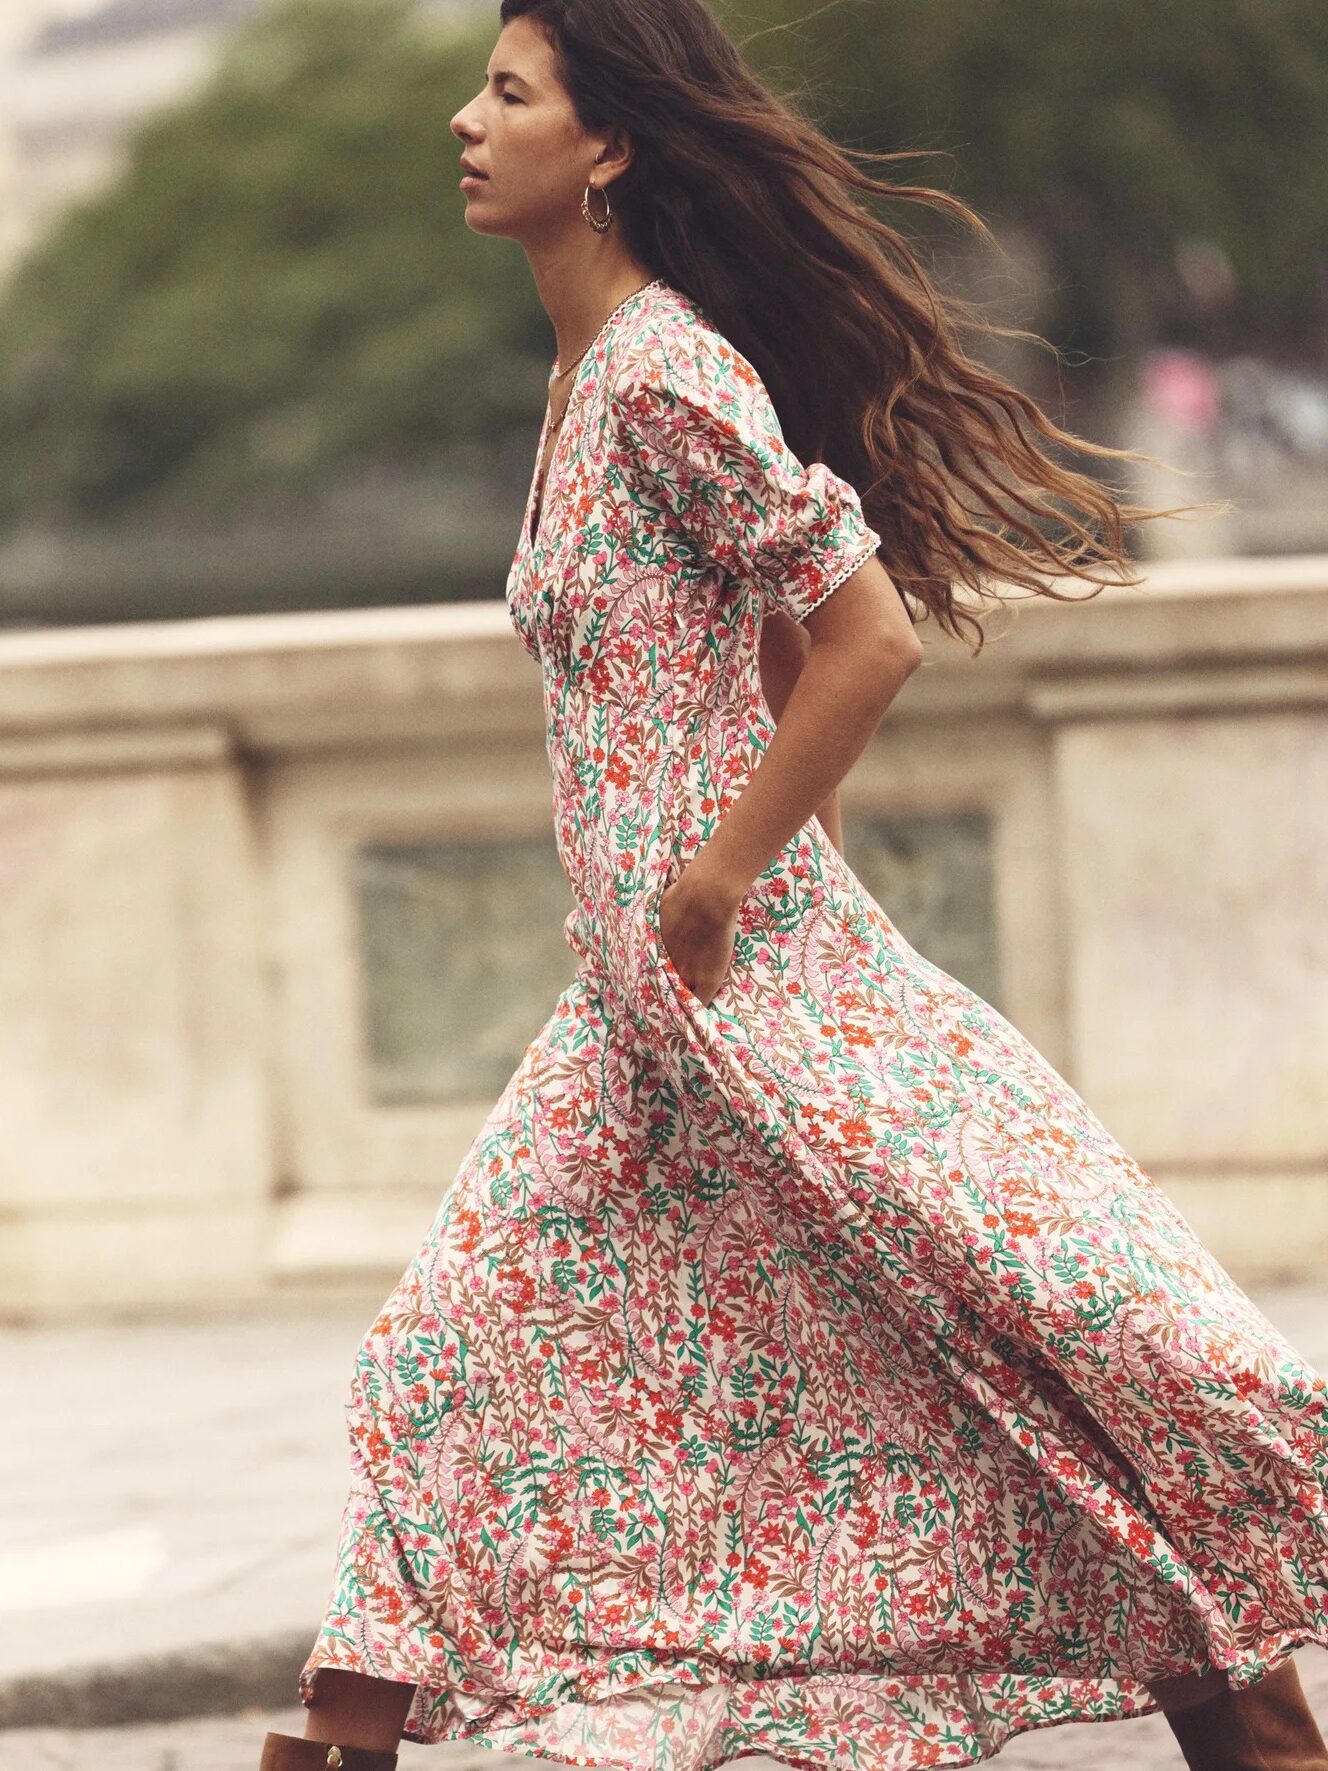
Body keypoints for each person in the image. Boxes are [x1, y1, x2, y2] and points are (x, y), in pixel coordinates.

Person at [259, 3, 1328, 1767]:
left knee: (1010, 1328)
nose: (464, 120)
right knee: (451, 1363)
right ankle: (335, 1735)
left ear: (605, 149)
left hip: (744, 982)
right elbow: (751, 644)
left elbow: (868, 635)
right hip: (637, 1015)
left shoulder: (668, 368)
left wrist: (723, 874)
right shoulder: (591, 375)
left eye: (508, 92)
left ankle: (1256, 1730)